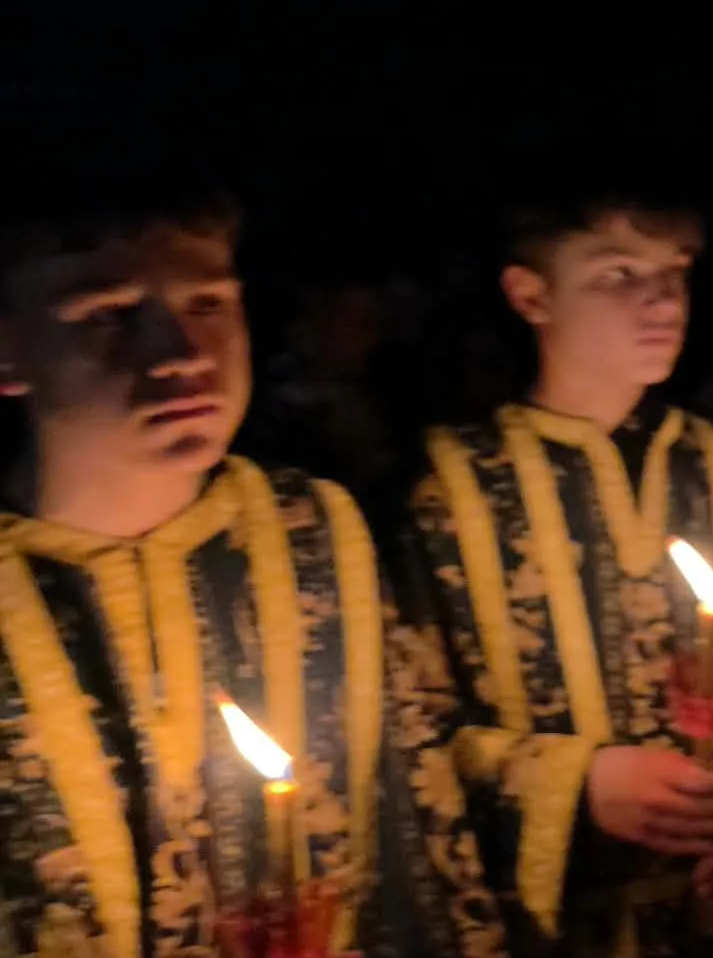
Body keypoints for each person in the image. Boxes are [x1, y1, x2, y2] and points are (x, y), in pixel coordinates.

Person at [0, 125, 504, 956]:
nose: (181, 354)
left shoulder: (315, 532)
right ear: (11, 350)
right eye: (111, 315)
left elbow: (415, 821)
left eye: (207, 304)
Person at [403, 175, 713, 958]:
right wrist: (576, 782)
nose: (662, 300)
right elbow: (408, 733)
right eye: (618, 273)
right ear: (531, 295)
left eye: (675, 270)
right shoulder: (444, 495)